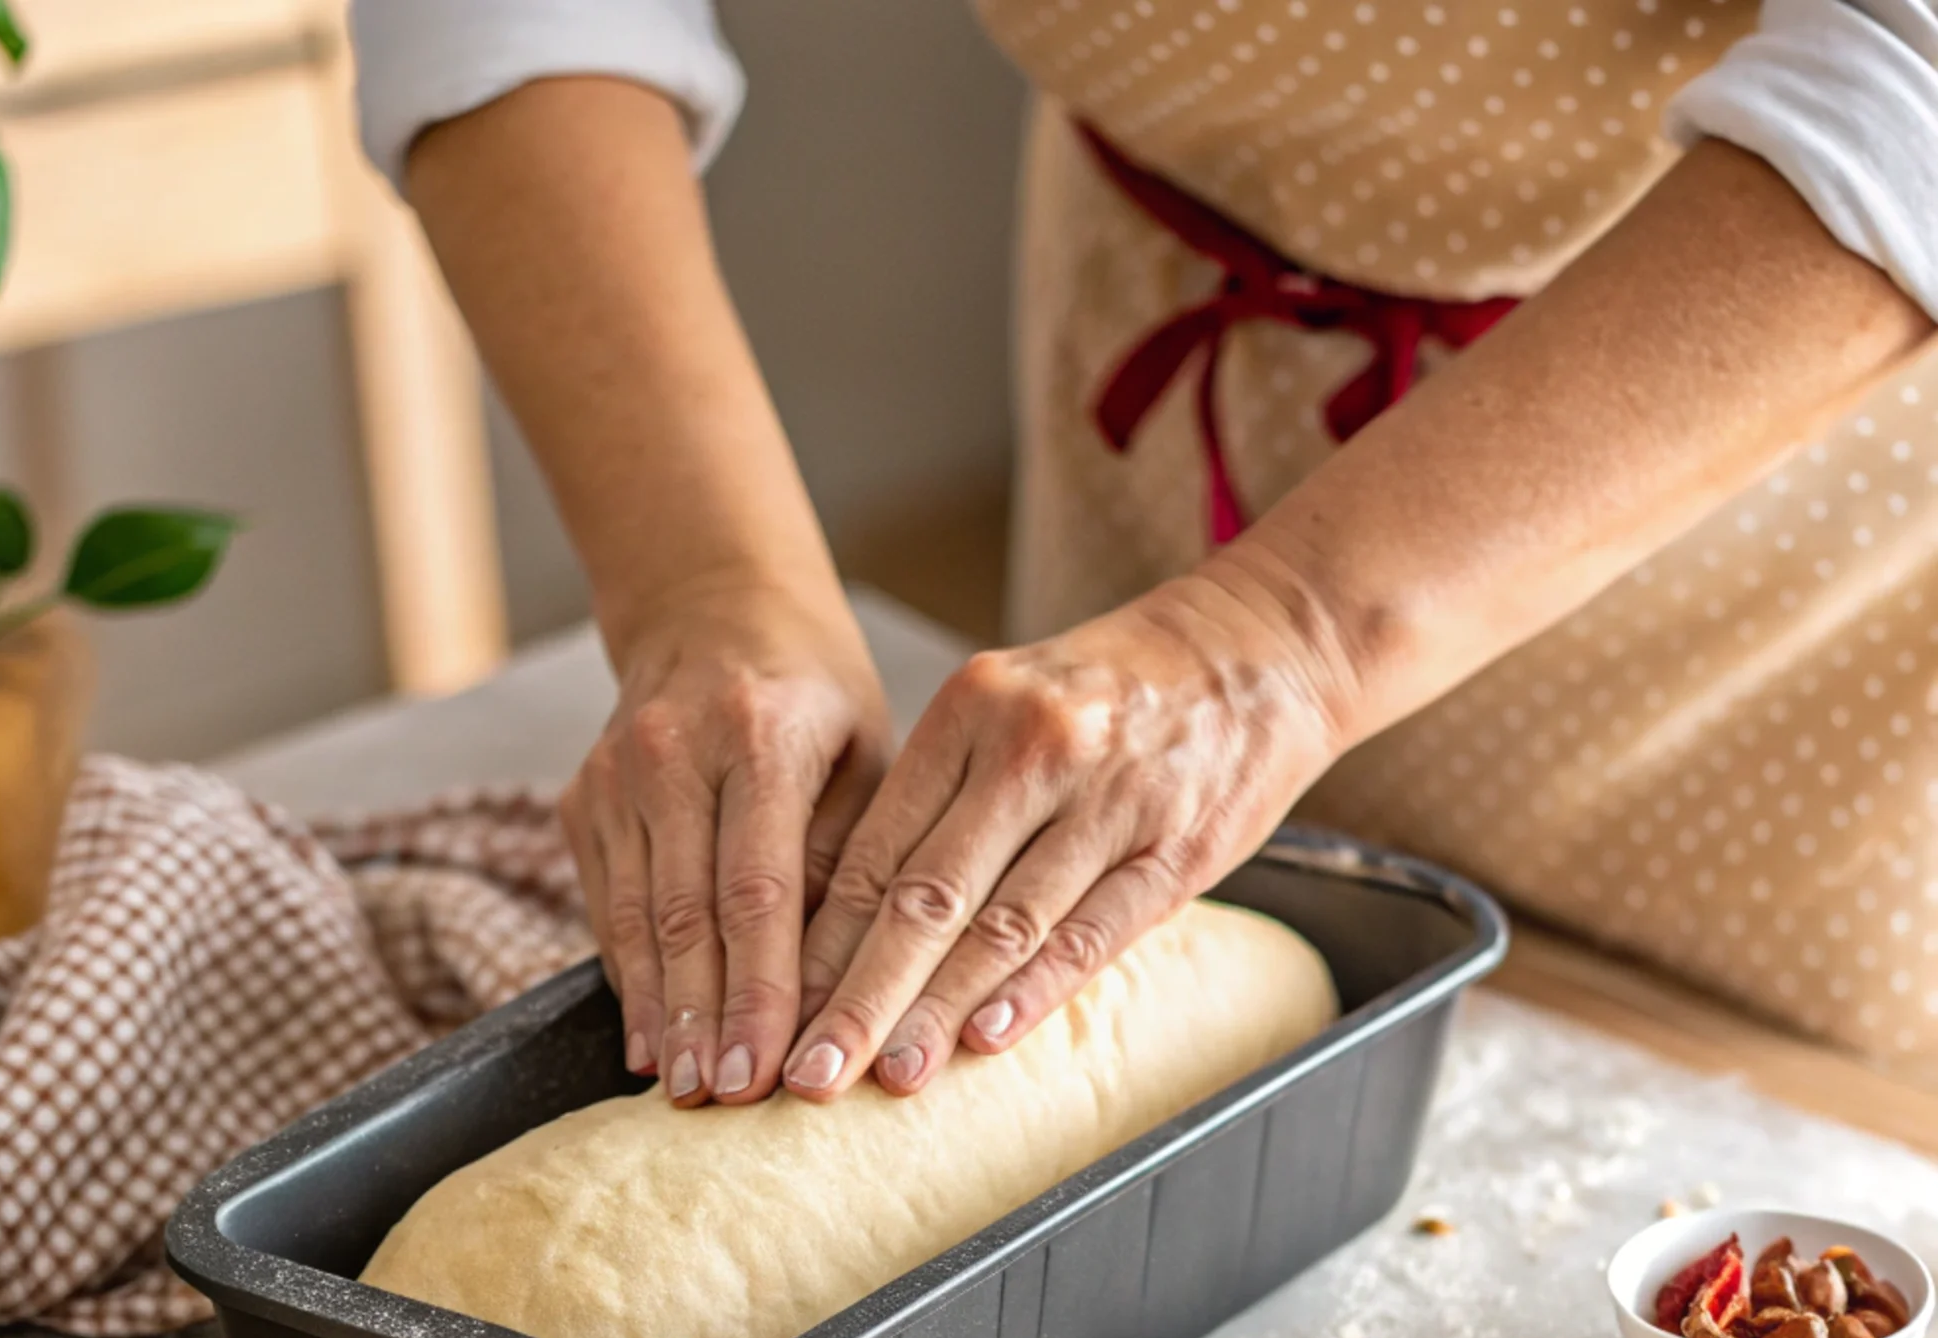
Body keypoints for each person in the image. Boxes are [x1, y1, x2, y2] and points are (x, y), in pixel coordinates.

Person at [350, 1, 1938, 1105]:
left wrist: (1293, 627)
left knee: (1769, 1162)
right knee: (1077, 991)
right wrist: (710, 589)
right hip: (1176, 335)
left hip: (1751, 441)